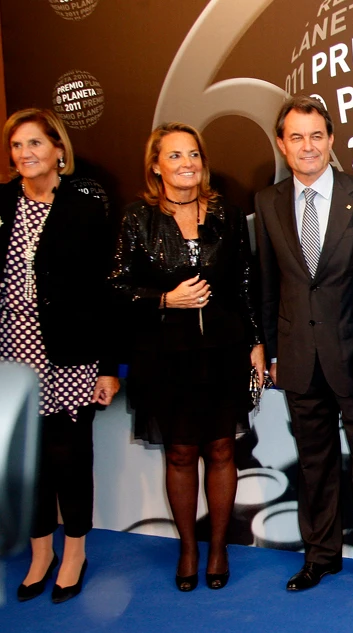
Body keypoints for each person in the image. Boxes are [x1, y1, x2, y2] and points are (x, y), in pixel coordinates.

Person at [110, 123, 265, 592]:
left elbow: (245, 283)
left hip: (222, 352)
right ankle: (187, 548)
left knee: (221, 448)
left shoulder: (228, 214)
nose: (186, 164)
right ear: (156, 165)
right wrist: (164, 300)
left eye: (193, 154)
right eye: (174, 156)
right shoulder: (136, 219)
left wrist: (257, 340)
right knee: (179, 453)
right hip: (165, 355)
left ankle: (217, 548)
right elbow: (116, 287)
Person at [255, 95, 353, 595]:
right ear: (282, 144)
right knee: (314, 464)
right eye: (297, 137)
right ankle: (321, 555)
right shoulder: (267, 202)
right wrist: (270, 349)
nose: (308, 146)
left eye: (317, 136)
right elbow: (269, 286)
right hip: (297, 356)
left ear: (331, 140)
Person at [1, 108, 118, 604]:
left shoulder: (84, 208)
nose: (25, 154)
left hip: (69, 355)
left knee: (69, 459)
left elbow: (106, 294)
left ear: (58, 150)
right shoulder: (2, 204)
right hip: (10, 356)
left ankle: (73, 553)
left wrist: (110, 367)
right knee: (25, 464)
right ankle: (39, 552)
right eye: (16, 147)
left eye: (34, 144)